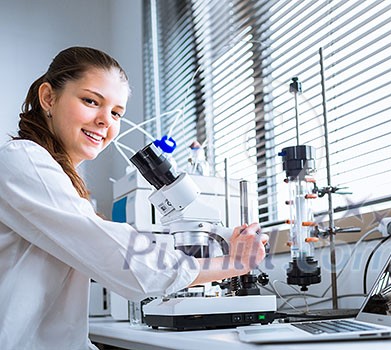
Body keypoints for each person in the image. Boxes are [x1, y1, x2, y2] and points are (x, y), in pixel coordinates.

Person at [0, 46, 268, 349]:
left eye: (116, 113)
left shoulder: (57, 177)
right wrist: (234, 262)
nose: (105, 121)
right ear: (48, 97)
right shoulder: (22, 159)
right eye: (90, 101)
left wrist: (220, 247)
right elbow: (116, 255)